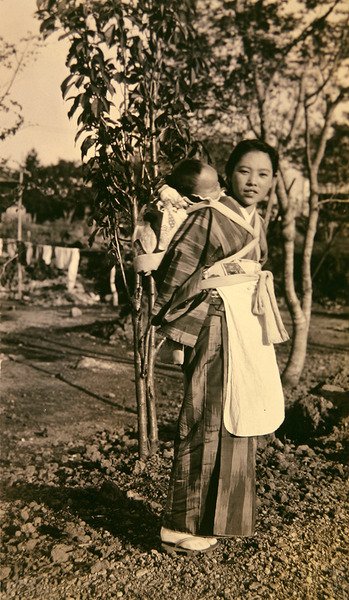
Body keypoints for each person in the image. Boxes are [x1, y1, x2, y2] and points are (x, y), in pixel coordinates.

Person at [151, 139, 289, 555]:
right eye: (245, 171)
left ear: (272, 181)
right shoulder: (208, 215)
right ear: (228, 173)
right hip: (213, 321)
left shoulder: (257, 222)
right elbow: (176, 272)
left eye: (263, 174)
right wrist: (180, 331)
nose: (253, 181)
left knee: (238, 414)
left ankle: (221, 519)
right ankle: (179, 524)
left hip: (246, 325)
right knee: (204, 415)